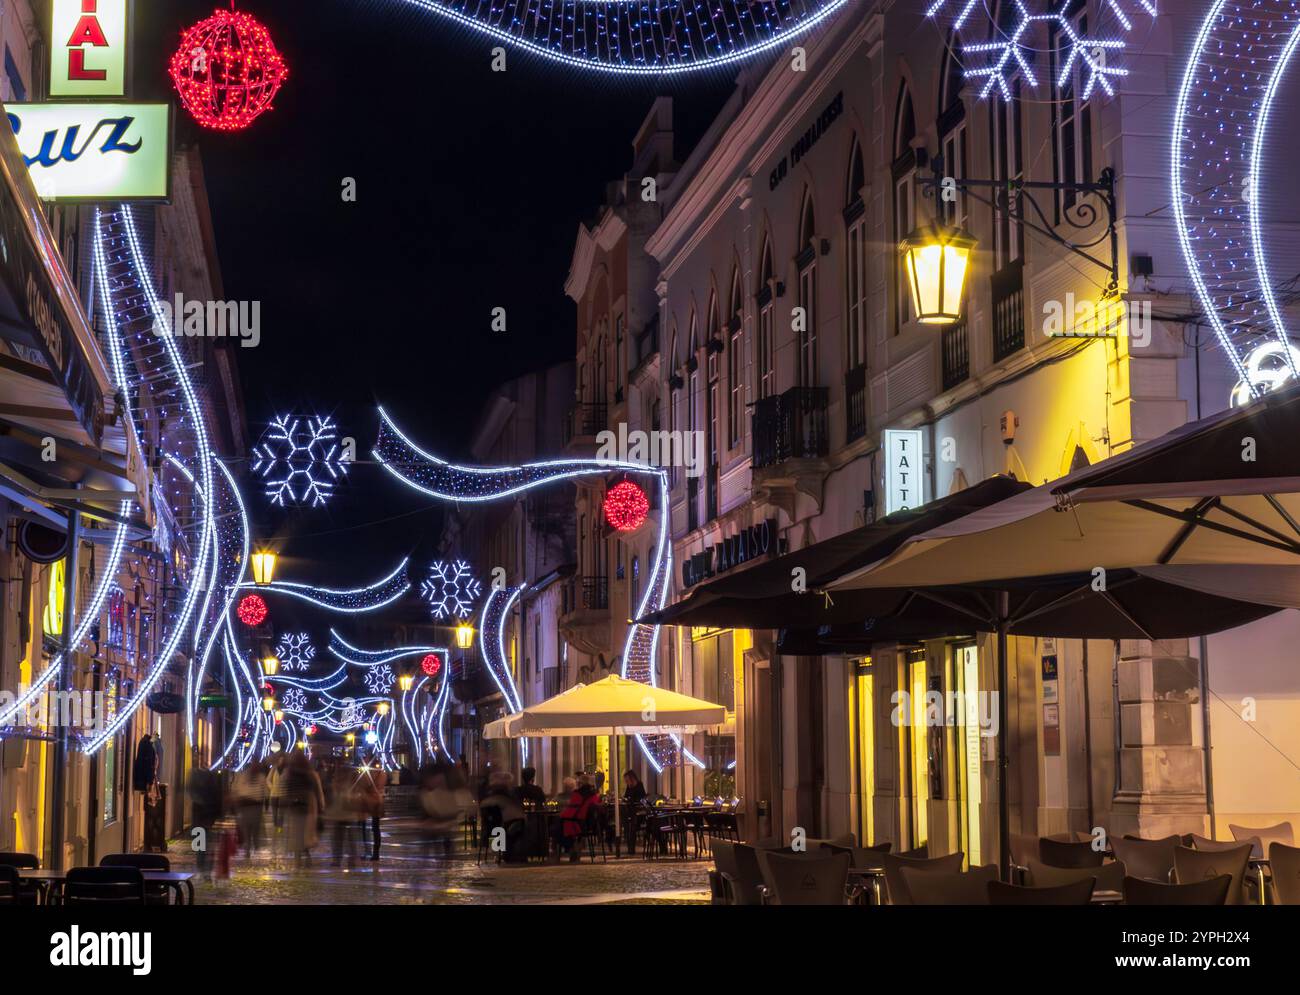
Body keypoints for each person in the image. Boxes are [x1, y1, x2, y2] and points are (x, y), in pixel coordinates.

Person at [552, 774, 602, 863]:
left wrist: (562, 816)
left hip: (578, 824)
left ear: (581, 784)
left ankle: (569, 849)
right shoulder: (594, 795)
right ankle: (573, 849)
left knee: (558, 827)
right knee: (561, 825)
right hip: (590, 825)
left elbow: (572, 809)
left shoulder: (577, 794)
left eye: (578, 782)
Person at [231, 761, 267, 858]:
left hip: (248, 806)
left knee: (248, 828)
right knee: (252, 829)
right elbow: (264, 791)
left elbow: (237, 790)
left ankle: (250, 847)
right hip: (252, 806)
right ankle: (251, 847)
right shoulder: (258, 777)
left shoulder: (244, 776)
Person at [621, 769, 648, 855]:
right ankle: (629, 845)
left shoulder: (639, 785)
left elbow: (641, 799)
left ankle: (631, 848)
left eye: (627, 780)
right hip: (631, 811)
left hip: (638, 811)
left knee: (632, 825)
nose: (626, 782)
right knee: (627, 822)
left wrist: (631, 800)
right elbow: (626, 796)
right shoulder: (629, 787)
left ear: (632, 779)